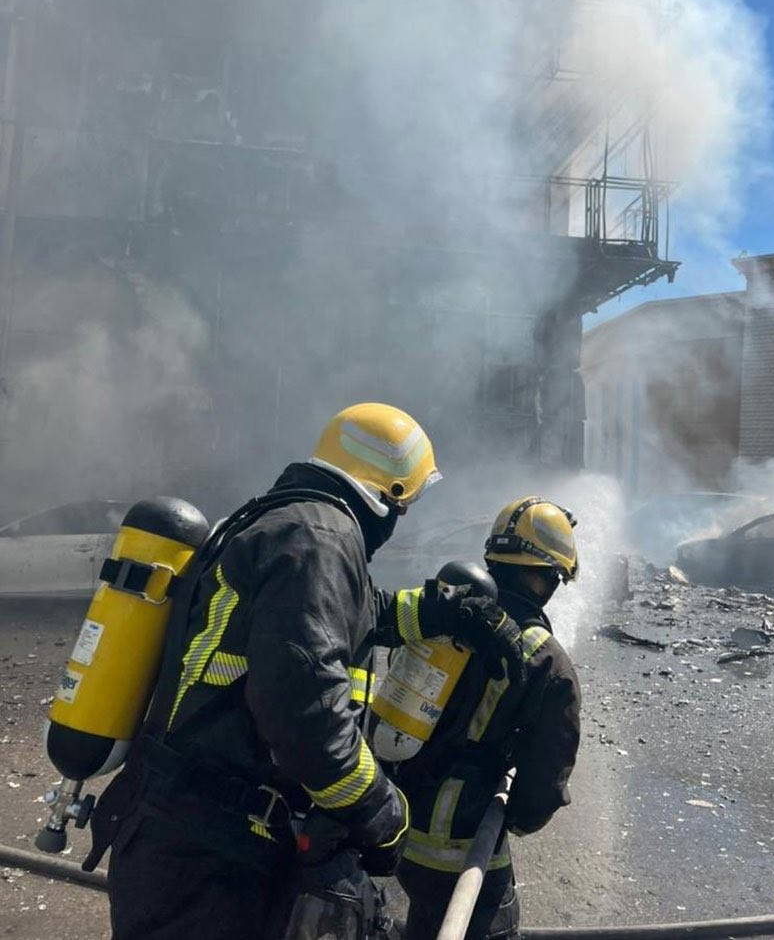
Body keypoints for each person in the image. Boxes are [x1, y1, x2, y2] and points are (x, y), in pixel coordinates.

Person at [83, 402, 527, 940]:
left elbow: (352, 617)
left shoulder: (281, 520)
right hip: (210, 854)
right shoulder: (319, 539)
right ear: (389, 494)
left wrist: (450, 610)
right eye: (404, 505)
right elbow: (304, 712)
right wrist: (380, 813)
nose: (401, 519)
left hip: (184, 831)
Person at [395, 497, 582, 940]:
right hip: (464, 847)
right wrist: (515, 818)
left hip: (393, 824)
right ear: (545, 579)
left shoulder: (444, 613)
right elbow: (547, 775)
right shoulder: (546, 658)